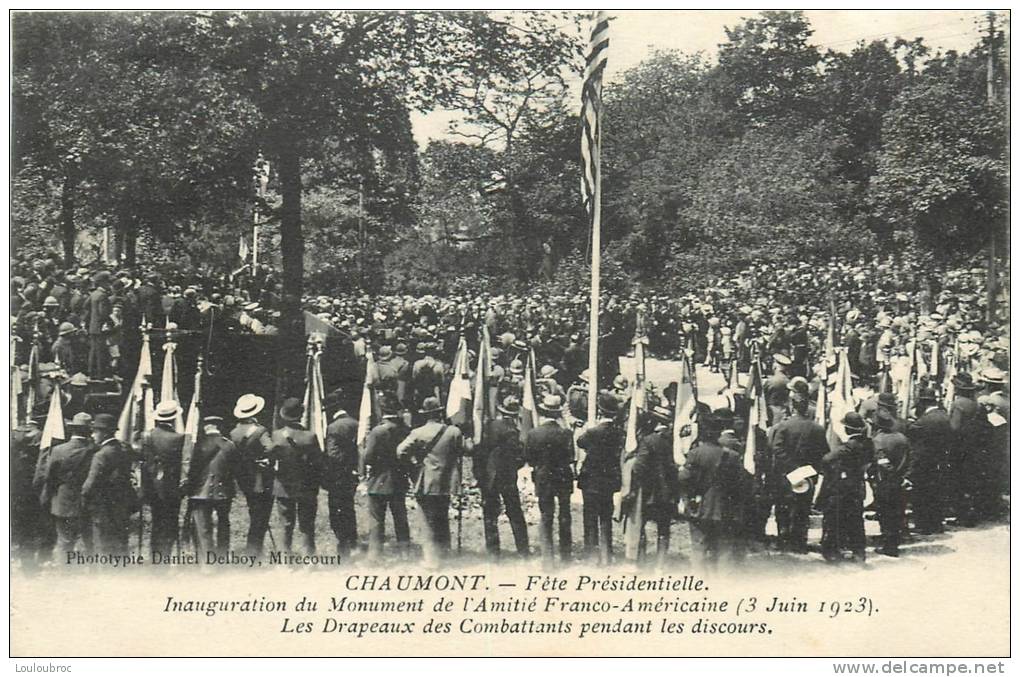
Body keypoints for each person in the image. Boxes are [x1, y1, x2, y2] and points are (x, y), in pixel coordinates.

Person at [397, 396, 464, 568]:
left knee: (426, 521)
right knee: (442, 518)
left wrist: (413, 464)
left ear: (425, 414)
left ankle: (431, 560)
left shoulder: (418, 432)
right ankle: (445, 555)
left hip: (426, 481)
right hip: (446, 482)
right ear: (440, 412)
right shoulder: (453, 432)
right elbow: (461, 451)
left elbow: (400, 451)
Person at [680, 411, 751, 569]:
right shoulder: (732, 456)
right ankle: (722, 585)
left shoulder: (695, 454)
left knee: (699, 547)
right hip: (725, 508)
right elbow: (742, 483)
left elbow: (684, 479)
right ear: (719, 434)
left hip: (699, 508)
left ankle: (700, 582)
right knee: (724, 549)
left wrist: (688, 497)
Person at [766, 391, 827, 552]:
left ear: (792, 406)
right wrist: (809, 469)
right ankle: (799, 542)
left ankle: (783, 539)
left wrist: (792, 468)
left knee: (783, 507)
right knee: (802, 508)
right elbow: (823, 453)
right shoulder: (818, 429)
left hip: (785, 475)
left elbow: (776, 449)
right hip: (807, 475)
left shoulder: (783, 426)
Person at [473, 395, 530, 558]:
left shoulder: (488, 426)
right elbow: (520, 456)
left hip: (489, 475)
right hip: (508, 475)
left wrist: (479, 472)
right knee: (515, 512)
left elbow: (480, 450)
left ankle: (493, 551)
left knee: (490, 513)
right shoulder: (514, 432)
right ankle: (523, 549)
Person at [625, 404, 679, 568]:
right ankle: (660, 566)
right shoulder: (672, 440)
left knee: (640, 526)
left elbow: (639, 467)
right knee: (663, 530)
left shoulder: (648, 440)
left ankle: (640, 562)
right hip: (667, 492)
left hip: (649, 493)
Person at [524, 394, 575, 565]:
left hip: (544, 477)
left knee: (546, 516)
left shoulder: (534, 434)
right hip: (562, 476)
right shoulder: (566, 433)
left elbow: (530, 459)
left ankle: (547, 558)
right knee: (565, 514)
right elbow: (570, 457)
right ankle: (566, 555)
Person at [270, 398, 324, 554]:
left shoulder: (276, 436)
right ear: (300, 415)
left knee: (285, 524)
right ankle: (309, 558)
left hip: (284, 487)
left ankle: (284, 560)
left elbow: (271, 459)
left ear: (283, 415)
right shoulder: (310, 436)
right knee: (307, 524)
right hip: (306, 486)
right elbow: (318, 463)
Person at [182, 415, 240, 560]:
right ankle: (222, 558)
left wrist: (188, 487)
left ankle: (207, 564)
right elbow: (234, 469)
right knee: (223, 525)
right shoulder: (229, 445)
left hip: (201, 492)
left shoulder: (198, 445)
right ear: (218, 427)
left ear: (205, 427)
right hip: (223, 491)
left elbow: (191, 469)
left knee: (203, 528)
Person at [817, 412, 872, 563]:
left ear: (848, 429)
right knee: (856, 520)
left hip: (841, 488)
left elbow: (826, 459)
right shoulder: (868, 445)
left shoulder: (846, 448)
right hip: (858, 486)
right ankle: (859, 552)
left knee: (834, 518)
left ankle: (832, 550)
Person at [576, 391, 623, 564]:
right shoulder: (618, 432)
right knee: (605, 517)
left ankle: (592, 555)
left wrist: (589, 426)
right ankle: (606, 554)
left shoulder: (593, 432)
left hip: (591, 481)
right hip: (609, 480)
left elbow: (580, 442)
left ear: (600, 412)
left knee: (590, 518)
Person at [362, 396, 411, 562]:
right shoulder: (405, 429)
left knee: (376, 519)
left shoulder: (377, 431)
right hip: (399, 480)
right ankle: (405, 553)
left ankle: (374, 554)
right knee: (400, 517)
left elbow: (368, 458)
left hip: (379, 481)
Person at [41, 413, 95, 558]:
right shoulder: (95, 450)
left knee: (65, 542)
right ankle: (94, 575)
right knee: (90, 542)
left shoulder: (59, 450)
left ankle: (66, 575)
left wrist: (47, 498)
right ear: (89, 430)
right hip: (89, 501)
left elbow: (49, 477)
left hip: (64, 501)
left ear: (72, 430)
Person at [81, 413, 135, 555]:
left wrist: (83, 499)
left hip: (104, 508)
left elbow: (90, 485)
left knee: (104, 546)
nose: (93, 435)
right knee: (121, 543)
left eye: (95, 431)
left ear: (104, 433)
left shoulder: (101, 455)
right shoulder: (125, 448)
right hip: (123, 505)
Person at [230, 393, 275, 557]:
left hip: (243, 478)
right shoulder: (260, 430)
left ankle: (253, 548)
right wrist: (265, 460)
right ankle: (254, 549)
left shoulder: (234, 432)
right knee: (261, 515)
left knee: (253, 510)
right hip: (260, 479)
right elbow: (270, 448)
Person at [140, 400, 184, 558]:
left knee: (156, 521)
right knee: (170, 523)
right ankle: (164, 557)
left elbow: (144, 462)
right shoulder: (179, 438)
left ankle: (154, 555)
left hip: (152, 487)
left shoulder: (147, 436)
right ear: (173, 419)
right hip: (171, 489)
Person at [906, 388, 951, 534]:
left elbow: (910, 431)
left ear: (923, 402)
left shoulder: (924, 420)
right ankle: (936, 524)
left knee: (922, 493)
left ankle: (924, 525)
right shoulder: (945, 416)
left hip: (925, 461)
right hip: (941, 459)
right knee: (937, 493)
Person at [323, 392, 360, 558]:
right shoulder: (356, 423)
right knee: (349, 506)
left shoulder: (333, 427)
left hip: (338, 474)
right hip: (352, 473)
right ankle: (353, 540)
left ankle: (342, 542)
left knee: (336, 508)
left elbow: (332, 454)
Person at [871, 408, 910, 557]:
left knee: (885, 513)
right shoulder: (902, 437)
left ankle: (889, 545)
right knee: (897, 512)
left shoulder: (878, 440)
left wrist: (890, 474)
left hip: (885, 481)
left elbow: (882, 462)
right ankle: (894, 542)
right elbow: (910, 458)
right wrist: (903, 475)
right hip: (900, 480)